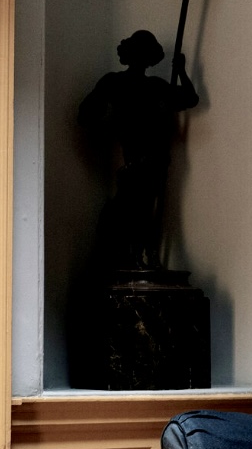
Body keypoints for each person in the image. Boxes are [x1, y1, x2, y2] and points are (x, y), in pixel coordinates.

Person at [78, 30, 199, 271]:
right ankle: (138, 257)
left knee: (139, 209)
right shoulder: (114, 82)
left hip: (154, 160)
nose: (141, 58)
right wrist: (107, 128)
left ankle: (143, 257)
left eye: (145, 53)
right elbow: (85, 114)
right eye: (139, 51)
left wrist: (181, 71)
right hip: (135, 161)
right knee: (129, 211)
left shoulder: (154, 86)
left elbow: (189, 99)